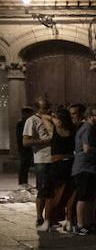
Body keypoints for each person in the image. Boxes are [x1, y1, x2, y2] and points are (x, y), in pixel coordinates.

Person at [22, 95, 54, 231]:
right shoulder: (32, 121)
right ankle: (39, 217)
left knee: (52, 190)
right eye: (44, 108)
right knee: (42, 189)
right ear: (38, 109)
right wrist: (46, 141)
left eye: (48, 106)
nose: (48, 110)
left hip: (54, 158)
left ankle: (50, 217)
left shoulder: (50, 119)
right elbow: (26, 142)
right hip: (42, 159)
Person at [41, 108, 76, 229]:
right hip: (71, 163)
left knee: (50, 193)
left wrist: (52, 118)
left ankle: (47, 221)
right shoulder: (72, 130)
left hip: (57, 164)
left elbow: (43, 116)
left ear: (59, 120)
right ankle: (70, 221)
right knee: (69, 193)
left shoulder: (54, 129)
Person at [72, 107, 96, 235]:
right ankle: (80, 225)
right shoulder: (88, 128)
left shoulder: (92, 129)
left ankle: (90, 223)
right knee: (84, 197)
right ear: (89, 116)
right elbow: (87, 149)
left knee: (91, 197)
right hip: (84, 167)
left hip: (91, 167)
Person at [15, 106, 34, 189]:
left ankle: (24, 181)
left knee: (26, 165)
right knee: (23, 164)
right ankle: (22, 182)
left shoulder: (28, 122)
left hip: (28, 146)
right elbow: (20, 136)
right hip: (23, 147)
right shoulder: (20, 123)